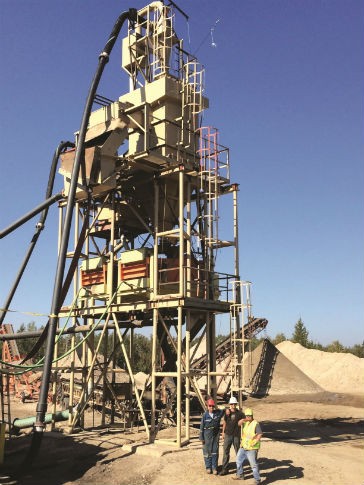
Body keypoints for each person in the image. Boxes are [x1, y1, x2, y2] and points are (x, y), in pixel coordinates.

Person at [233, 408, 263, 484]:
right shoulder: (245, 422)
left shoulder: (256, 423)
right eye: (247, 416)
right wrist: (242, 420)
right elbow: (238, 424)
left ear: (252, 416)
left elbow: (260, 434)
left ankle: (257, 480)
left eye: (250, 416)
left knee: (253, 465)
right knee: (238, 460)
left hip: (252, 448)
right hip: (244, 446)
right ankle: (240, 475)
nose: (248, 417)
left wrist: (255, 441)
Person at [219, 396, 245, 475]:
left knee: (238, 453)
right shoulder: (227, 413)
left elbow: (247, 418)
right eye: (232, 404)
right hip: (228, 435)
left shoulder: (240, 413)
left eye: (234, 404)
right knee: (225, 452)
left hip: (236, 435)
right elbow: (225, 422)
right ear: (229, 404)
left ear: (236, 404)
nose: (233, 406)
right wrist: (223, 432)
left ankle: (239, 471)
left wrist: (242, 420)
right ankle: (225, 469)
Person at [199, 398, 225, 475]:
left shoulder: (217, 413)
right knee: (207, 451)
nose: (211, 407)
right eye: (210, 406)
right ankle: (208, 467)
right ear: (207, 406)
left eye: (212, 406)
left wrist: (223, 408)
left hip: (215, 434)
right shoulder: (205, 415)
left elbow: (224, 411)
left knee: (215, 451)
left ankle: (214, 467)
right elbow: (201, 427)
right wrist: (202, 438)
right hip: (207, 434)